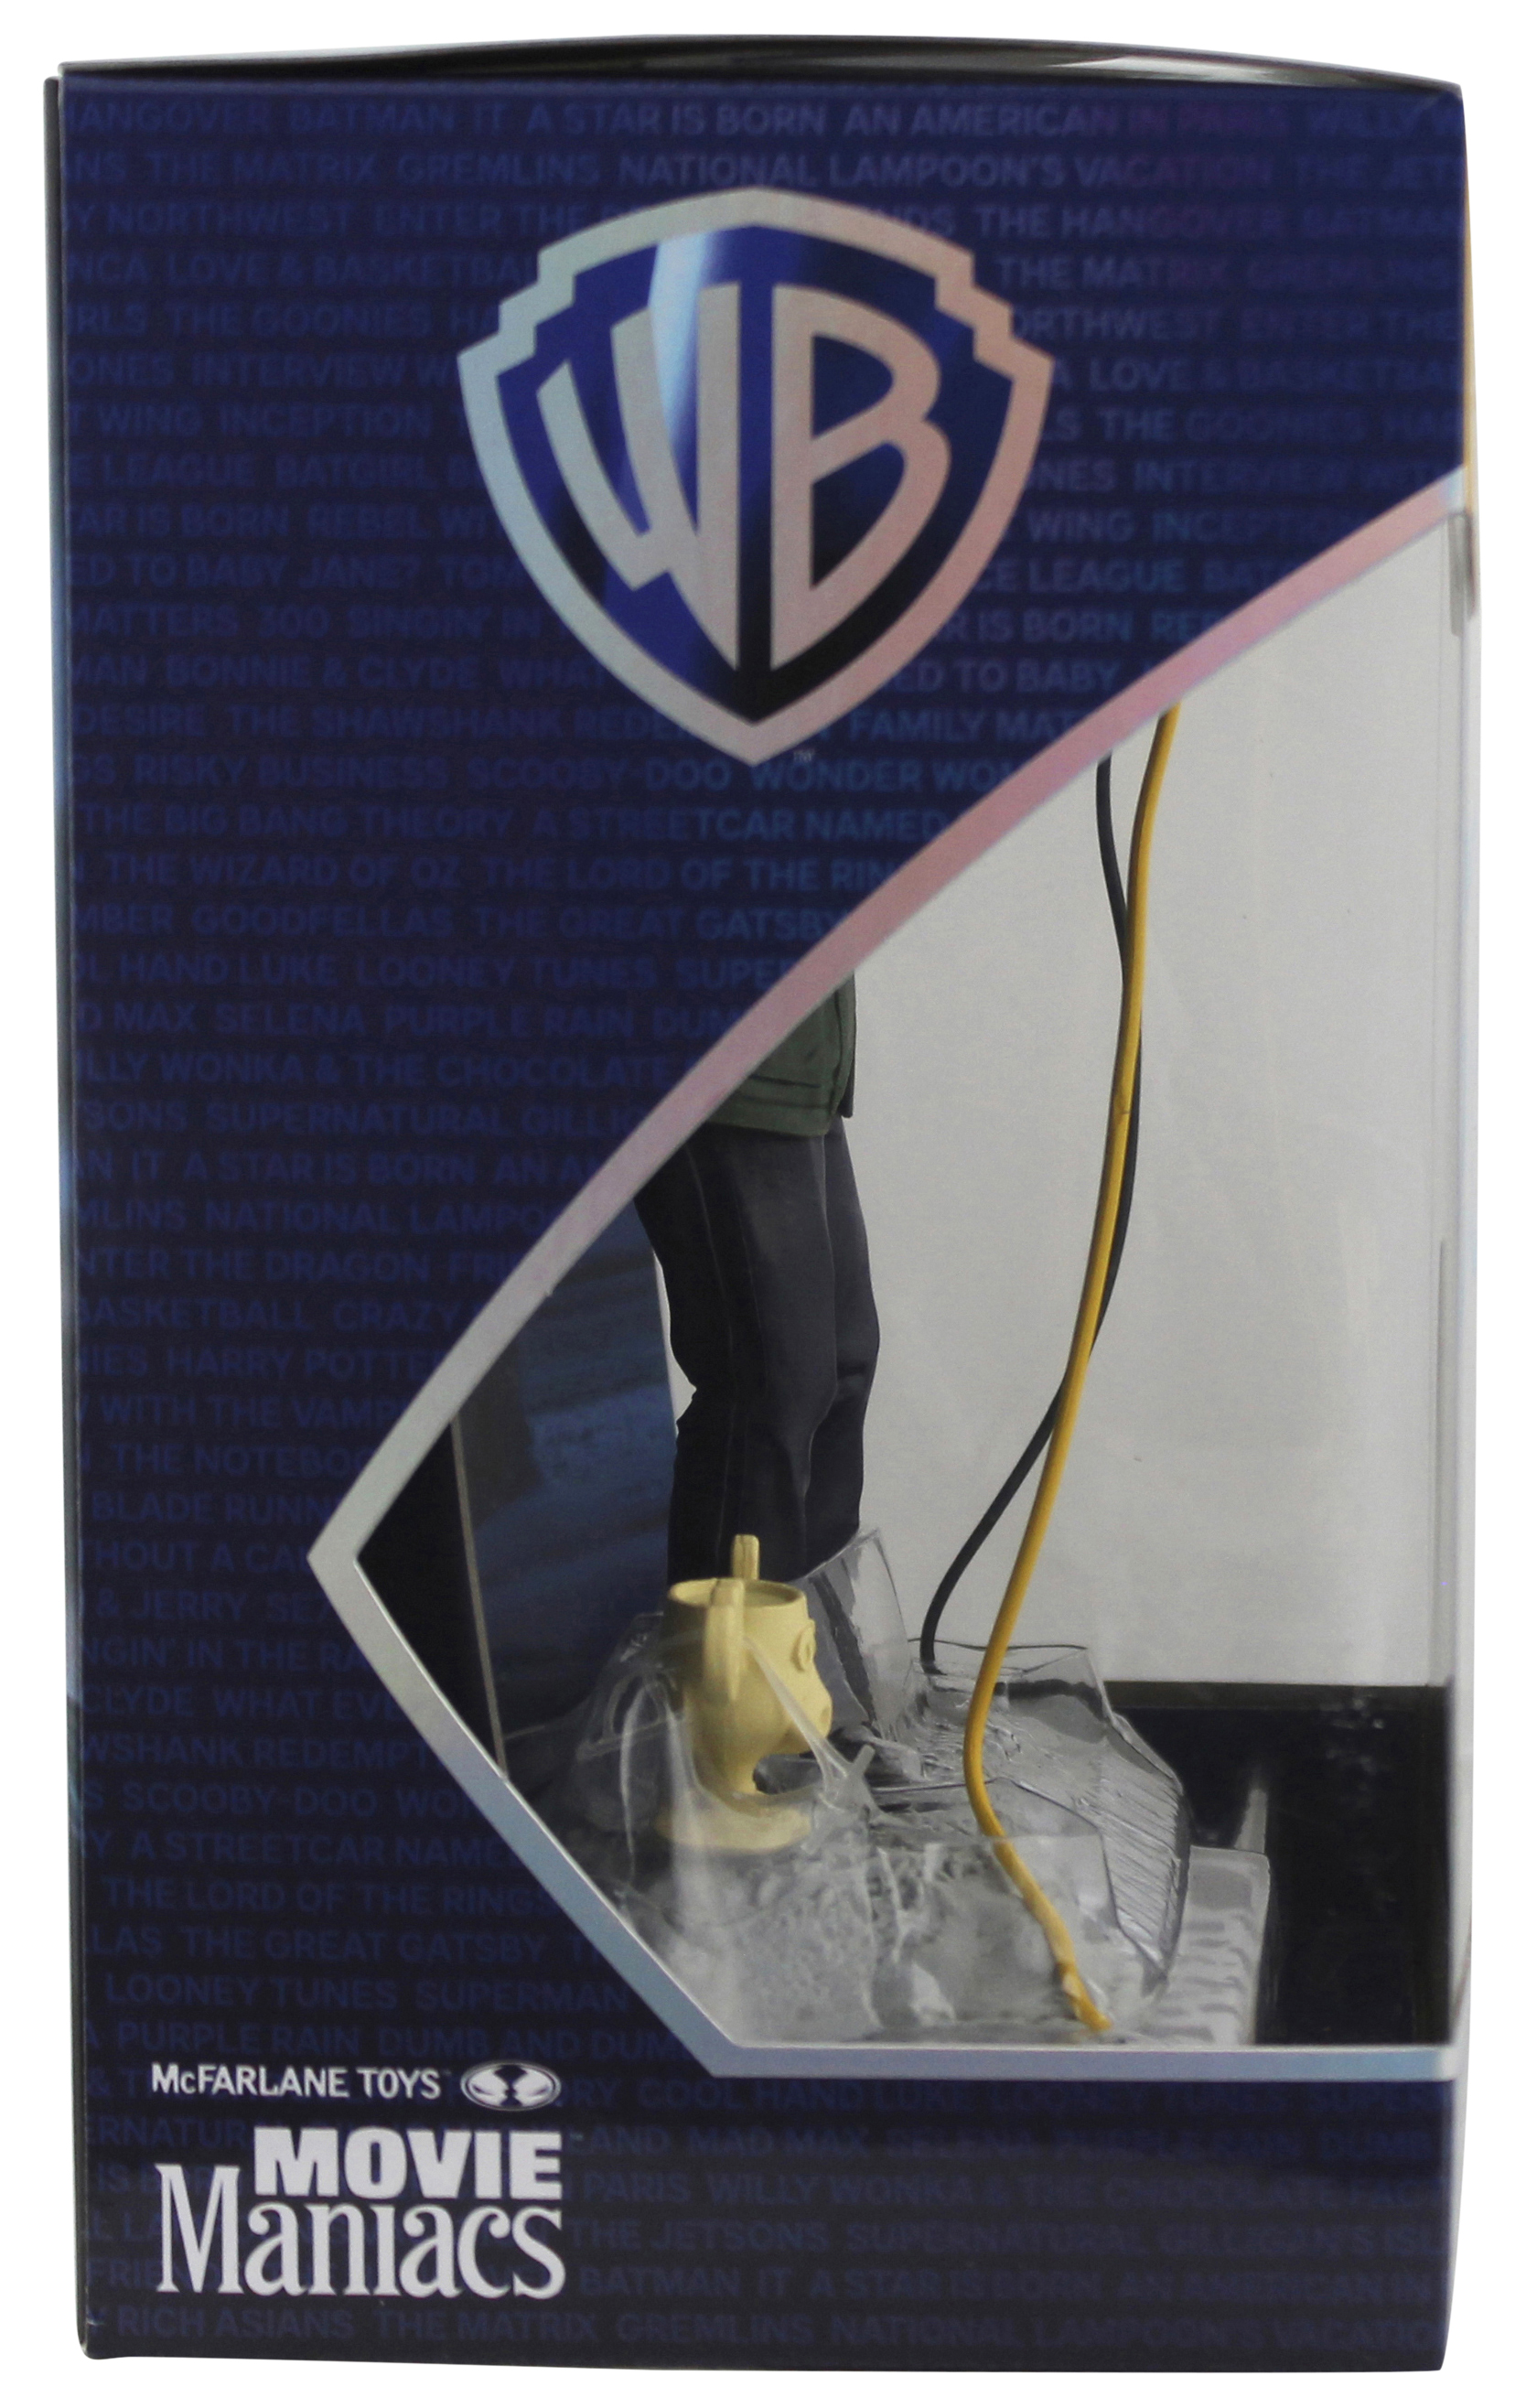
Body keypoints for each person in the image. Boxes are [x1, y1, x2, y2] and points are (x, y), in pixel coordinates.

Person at [635, 982, 879, 1586]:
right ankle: (728, 1647)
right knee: (770, 1387)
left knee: (842, 1368)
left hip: (800, 1056)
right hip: (719, 1059)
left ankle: (808, 1638)